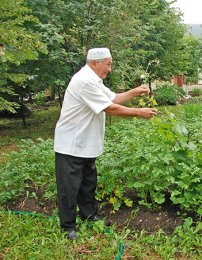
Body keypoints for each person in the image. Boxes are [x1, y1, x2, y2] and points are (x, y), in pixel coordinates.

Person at [54, 48, 157, 239]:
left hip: (85, 144)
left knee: (87, 184)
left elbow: (113, 98)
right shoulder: (85, 81)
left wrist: (134, 92)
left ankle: (89, 216)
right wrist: (139, 112)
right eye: (108, 64)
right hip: (71, 145)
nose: (110, 69)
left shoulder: (95, 80)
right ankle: (68, 227)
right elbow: (110, 108)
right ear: (95, 63)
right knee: (69, 188)